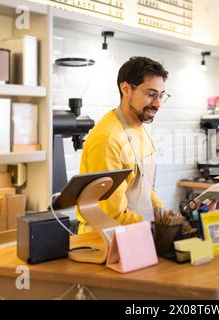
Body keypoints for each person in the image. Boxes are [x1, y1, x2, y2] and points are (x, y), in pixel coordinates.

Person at [77, 56, 169, 233]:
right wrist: (158, 229)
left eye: (161, 96)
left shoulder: (139, 127)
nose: (158, 104)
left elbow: (143, 186)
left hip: (135, 233)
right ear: (126, 89)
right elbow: (111, 214)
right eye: (151, 94)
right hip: (106, 239)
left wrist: (164, 214)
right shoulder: (107, 139)